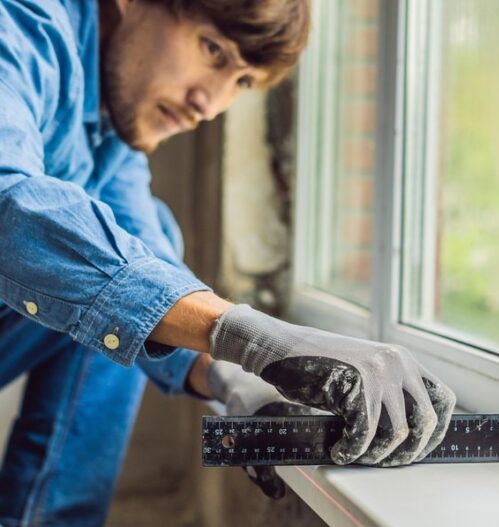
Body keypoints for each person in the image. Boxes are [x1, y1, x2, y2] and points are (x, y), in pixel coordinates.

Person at [0, 0, 457, 525]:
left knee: (137, 259)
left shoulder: (111, 143)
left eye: (242, 82)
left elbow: (149, 287)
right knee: (120, 273)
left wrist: (237, 382)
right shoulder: (20, 23)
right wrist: (248, 335)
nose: (209, 104)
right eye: (212, 50)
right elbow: (6, 198)